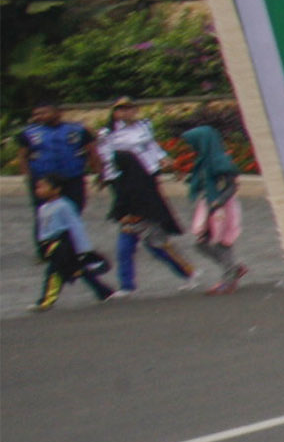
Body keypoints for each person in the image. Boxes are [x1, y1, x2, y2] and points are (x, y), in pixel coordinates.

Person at [97, 100, 195, 293]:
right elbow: (106, 158)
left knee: (149, 240)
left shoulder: (143, 126)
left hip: (146, 178)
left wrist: (164, 159)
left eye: (129, 108)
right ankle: (127, 284)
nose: (127, 113)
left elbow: (151, 146)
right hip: (124, 178)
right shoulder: (108, 133)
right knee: (134, 241)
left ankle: (186, 272)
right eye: (121, 109)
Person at [179, 121, 246, 290]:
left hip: (220, 207)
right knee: (205, 242)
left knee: (218, 242)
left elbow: (232, 185)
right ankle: (232, 269)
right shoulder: (205, 160)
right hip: (209, 205)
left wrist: (218, 202)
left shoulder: (218, 161)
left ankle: (229, 277)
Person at [33, 175, 118, 308]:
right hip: (49, 245)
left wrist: (83, 248)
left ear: (56, 189)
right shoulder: (43, 208)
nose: (39, 190)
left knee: (54, 271)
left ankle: (46, 300)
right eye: (38, 187)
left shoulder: (64, 206)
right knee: (78, 269)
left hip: (62, 244)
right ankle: (104, 292)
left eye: (43, 187)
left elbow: (76, 226)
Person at [21, 102, 95, 214]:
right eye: (36, 114)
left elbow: (92, 151)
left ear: (57, 113)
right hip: (43, 178)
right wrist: (28, 176)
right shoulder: (29, 133)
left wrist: (99, 171)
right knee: (44, 213)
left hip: (72, 177)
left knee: (74, 209)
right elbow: (23, 156)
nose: (39, 116)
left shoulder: (77, 130)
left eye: (43, 113)